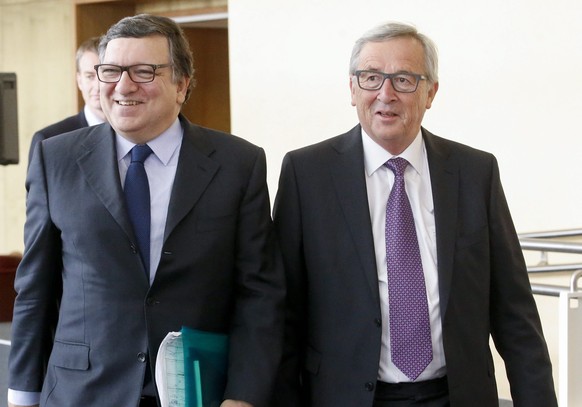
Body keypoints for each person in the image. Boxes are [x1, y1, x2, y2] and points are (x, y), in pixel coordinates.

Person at [271, 22, 557, 407]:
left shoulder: (475, 173)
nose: (385, 94)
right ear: (352, 89)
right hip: (346, 397)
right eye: (371, 78)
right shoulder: (307, 174)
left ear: (430, 92)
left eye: (404, 79)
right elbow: (284, 314)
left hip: (456, 395)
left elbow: (514, 313)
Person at [9, 14, 284, 407]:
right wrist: (22, 396)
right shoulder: (57, 158)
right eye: (111, 71)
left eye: (144, 71)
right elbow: (35, 290)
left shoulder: (237, 163)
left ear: (182, 84)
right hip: (82, 393)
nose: (124, 86)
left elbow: (260, 294)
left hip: (198, 392)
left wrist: (244, 396)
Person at [28, 36, 106, 164]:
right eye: (90, 76)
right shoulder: (48, 141)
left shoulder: (134, 135)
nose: (97, 86)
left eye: (104, 74)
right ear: (79, 80)